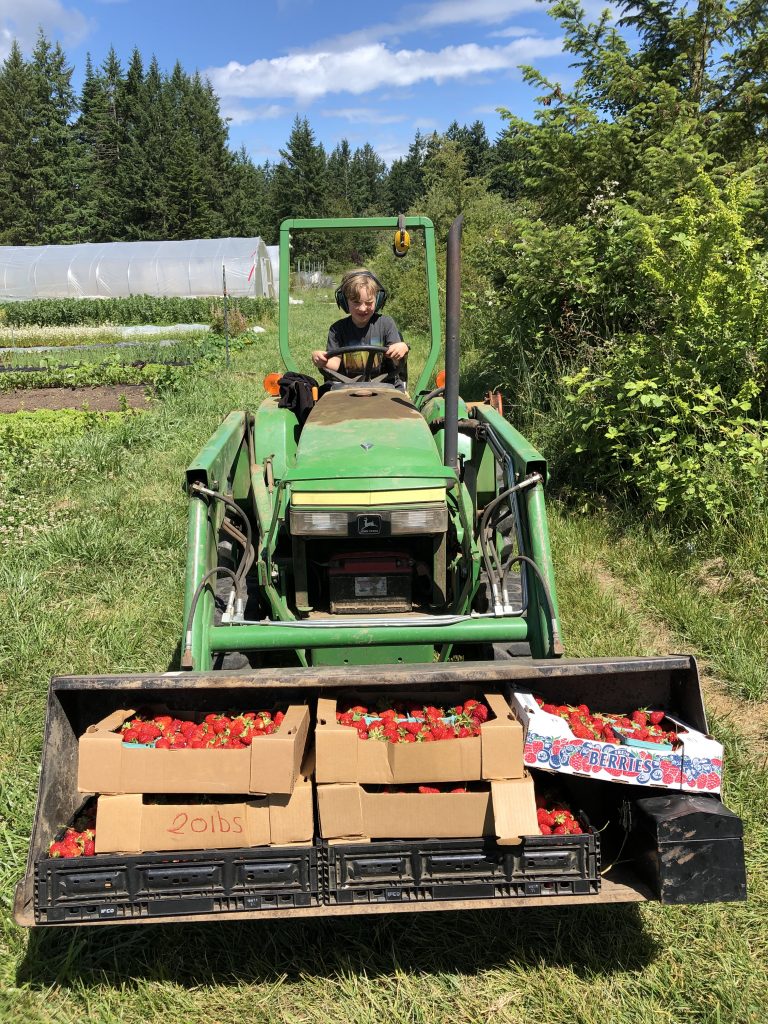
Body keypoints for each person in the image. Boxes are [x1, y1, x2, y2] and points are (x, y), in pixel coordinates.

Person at [312, 269, 409, 389]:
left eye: (369, 302)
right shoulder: (337, 330)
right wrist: (322, 360)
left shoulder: (386, 324)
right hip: (346, 387)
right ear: (344, 301)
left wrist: (401, 348)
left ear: (377, 300)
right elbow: (334, 364)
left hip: (384, 385)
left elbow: (396, 361)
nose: (363, 308)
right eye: (356, 302)